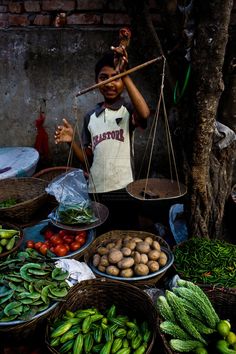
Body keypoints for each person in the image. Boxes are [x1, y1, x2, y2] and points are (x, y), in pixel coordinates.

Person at [55, 45, 150, 232]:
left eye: (116, 78)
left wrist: (125, 73)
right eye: (103, 78)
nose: (110, 83)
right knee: (101, 239)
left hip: (123, 189)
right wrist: (71, 142)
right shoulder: (90, 117)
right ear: (96, 82)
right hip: (96, 192)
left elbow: (144, 114)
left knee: (126, 237)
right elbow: (87, 160)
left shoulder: (127, 111)